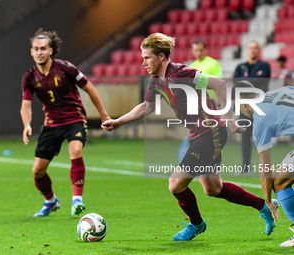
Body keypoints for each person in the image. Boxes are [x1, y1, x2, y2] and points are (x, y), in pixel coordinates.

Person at [102, 33, 277, 241]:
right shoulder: (158, 81)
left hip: (210, 132)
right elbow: (146, 107)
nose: (143, 62)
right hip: (199, 134)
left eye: (147, 58)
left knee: (175, 184)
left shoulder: (182, 73)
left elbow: (219, 85)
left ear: (161, 56)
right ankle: (263, 205)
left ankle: (196, 225)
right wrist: (118, 121)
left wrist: (230, 120)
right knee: (213, 188)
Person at [20, 28, 110, 217]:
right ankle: (50, 201)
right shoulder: (30, 78)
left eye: (43, 48)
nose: (39, 52)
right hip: (51, 124)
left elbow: (90, 88)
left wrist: (104, 115)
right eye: (36, 49)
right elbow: (26, 105)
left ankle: (77, 200)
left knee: (75, 151)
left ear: (51, 50)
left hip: (74, 119)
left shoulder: (66, 68)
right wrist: (27, 124)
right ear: (31, 51)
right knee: (37, 171)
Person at [232, 80, 294, 247]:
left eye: (240, 108)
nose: (243, 114)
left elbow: (265, 168)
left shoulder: (260, 120)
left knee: (280, 182)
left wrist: (267, 201)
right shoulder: (280, 91)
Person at [233, 40, 271, 173]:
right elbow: (236, 83)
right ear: (247, 50)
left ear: (259, 50)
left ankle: (265, 167)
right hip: (245, 109)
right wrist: (252, 81)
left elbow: (261, 80)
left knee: (263, 139)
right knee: (245, 138)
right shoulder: (240, 67)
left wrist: (245, 82)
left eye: (255, 48)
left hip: (260, 108)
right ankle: (245, 167)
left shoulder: (265, 66)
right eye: (250, 48)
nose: (253, 50)